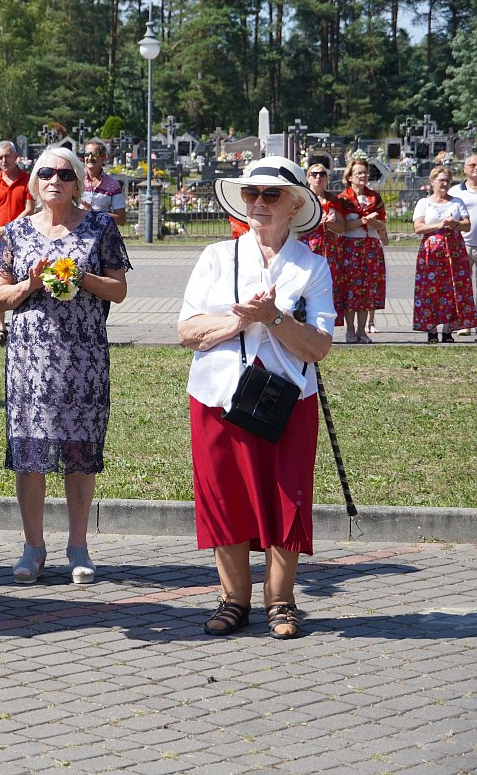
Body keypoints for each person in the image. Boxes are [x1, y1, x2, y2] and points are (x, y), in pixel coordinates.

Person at [177, 156, 334, 640]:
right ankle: (233, 600)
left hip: (286, 398)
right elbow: (186, 331)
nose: (259, 204)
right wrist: (240, 322)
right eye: (251, 194)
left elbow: (320, 347)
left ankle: (281, 602)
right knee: (225, 495)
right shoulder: (216, 257)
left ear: (295, 204)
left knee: (286, 495)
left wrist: (275, 318)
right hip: (218, 395)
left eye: (271, 195)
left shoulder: (313, 265)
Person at [0, 145, 130, 585]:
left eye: (65, 174)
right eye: (46, 172)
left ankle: (78, 544)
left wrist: (78, 277)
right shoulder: (16, 232)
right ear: (35, 180)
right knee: (30, 452)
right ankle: (33, 546)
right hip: (30, 358)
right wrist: (29, 285)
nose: (55, 180)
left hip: (82, 356)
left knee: (78, 450)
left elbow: (119, 290)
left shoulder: (100, 227)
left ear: (77, 183)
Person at [412, 166, 475, 343]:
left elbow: (467, 225)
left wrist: (454, 223)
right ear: (432, 182)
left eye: (447, 181)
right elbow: (418, 227)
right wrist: (440, 225)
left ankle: (448, 330)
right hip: (431, 252)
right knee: (430, 288)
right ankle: (431, 330)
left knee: (452, 288)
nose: (444, 184)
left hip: (453, 251)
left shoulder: (457, 202)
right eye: (441, 180)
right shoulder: (424, 203)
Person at [0, 141, 35, 345]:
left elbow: (29, 209)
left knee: (21, 281)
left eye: (7, 156)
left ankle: (20, 322)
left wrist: (9, 228)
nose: (4, 161)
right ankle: (0, 327)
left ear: (16, 157)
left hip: (21, 239)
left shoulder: (27, 180)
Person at [335, 156, 387, 343]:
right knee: (351, 289)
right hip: (350, 247)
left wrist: (373, 221)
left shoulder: (375, 197)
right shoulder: (343, 199)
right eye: (359, 173)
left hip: (371, 247)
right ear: (350, 176)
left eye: (365, 172)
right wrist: (362, 221)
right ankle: (350, 330)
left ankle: (362, 330)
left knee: (366, 290)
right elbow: (341, 226)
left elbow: (382, 223)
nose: (363, 176)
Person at [298, 157, 347, 323]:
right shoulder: (302, 200)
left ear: (326, 178)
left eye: (322, 174)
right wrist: (314, 224)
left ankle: (327, 321)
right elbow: (295, 228)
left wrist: (331, 223)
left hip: (330, 248)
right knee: (306, 283)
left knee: (329, 283)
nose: (318, 177)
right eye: (314, 174)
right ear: (308, 177)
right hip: (308, 247)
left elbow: (342, 228)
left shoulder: (333, 200)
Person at [448, 154, 477, 335]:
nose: (475, 168)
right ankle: (466, 323)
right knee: (462, 287)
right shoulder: (455, 192)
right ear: (465, 169)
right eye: (472, 165)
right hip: (463, 245)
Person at [80, 141, 127, 227]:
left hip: (102, 236)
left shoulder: (113, 185)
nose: (90, 158)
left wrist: (95, 214)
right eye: (87, 154)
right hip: (78, 234)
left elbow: (121, 219)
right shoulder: (76, 180)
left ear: (103, 157)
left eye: (95, 154)